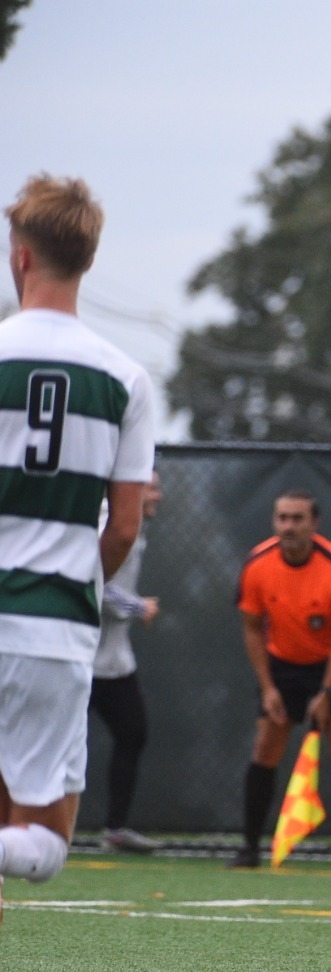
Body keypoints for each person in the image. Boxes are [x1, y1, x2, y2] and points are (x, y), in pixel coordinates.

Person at [0, 175, 155, 904]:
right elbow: (124, 526)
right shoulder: (125, 379)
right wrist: (73, 579)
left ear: (20, 256)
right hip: (52, 627)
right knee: (42, 843)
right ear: (86, 261)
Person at [233, 490, 331, 871]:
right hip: (282, 665)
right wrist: (268, 688)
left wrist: (327, 692)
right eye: (282, 518)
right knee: (266, 746)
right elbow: (251, 628)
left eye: (297, 519)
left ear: (315, 523)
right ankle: (249, 848)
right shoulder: (258, 564)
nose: (288, 526)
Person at [91, 469, 163, 853]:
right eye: (151, 488)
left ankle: (116, 829)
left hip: (114, 662)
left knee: (132, 734)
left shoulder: (130, 527)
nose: (157, 496)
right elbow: (92, 583)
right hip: (82, 659)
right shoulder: (107, 523)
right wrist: (138, 606)